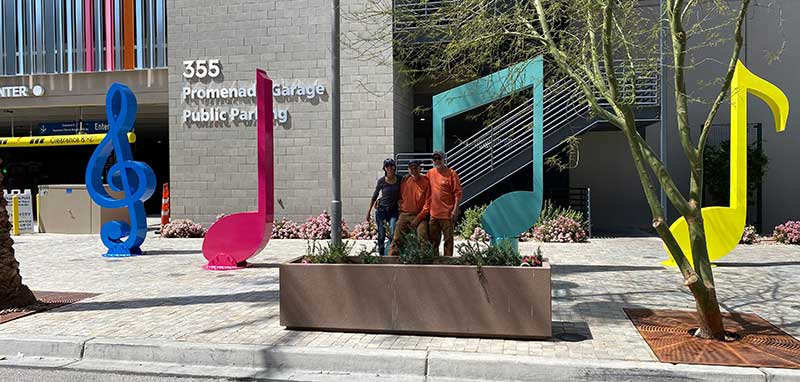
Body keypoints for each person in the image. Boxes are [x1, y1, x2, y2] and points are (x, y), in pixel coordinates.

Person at [388, 160, 431, 256]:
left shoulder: (426, 182)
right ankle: (393, 259)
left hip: (420, 215)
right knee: (396, 237)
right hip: (404, 214)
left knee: (422, 235)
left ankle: (425, 258)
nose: (414, 170)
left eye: (416, 168)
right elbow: (396, 194)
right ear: (408, 170)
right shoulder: (405, 180)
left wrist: (417, 219)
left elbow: (427, 205)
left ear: (420, 169)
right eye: (411, 168)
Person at [427, 151, 462, 257]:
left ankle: (448, 263)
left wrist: (455, 210)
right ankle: (434, 262)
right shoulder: (429, 173)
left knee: (448, 241)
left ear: (443, 159)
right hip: (433, 214)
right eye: (435, 159)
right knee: (433, 241)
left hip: (447, 214)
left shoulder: (452, 173)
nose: (437, 161)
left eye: (439, 158)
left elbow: (458, 193)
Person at [366, 158, 400, 256]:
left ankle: (392, 253)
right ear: (384, 168)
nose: (389, 168)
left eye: (391, 165)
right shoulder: (382, 181)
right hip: (382, 211)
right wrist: (368, 211)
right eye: (387, 166)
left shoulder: (399, 179)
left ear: (394, 167)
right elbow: (375, 195)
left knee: (393, 233)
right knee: (381, 235)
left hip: (393, 211)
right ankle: (381, 255)